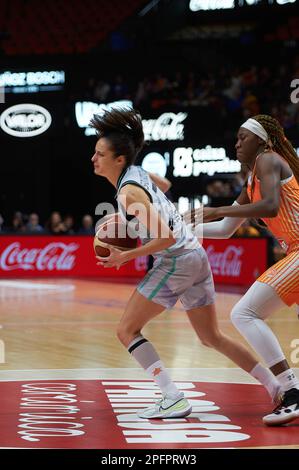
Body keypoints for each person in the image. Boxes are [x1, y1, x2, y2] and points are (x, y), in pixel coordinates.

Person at [91, 108, 281, 420]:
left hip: (176, 260)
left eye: (100, 154)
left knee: (126, 329)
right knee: (211, 337)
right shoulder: (136, 175)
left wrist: (124, 255)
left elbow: (164, 238)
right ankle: (276, 388)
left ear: (119, 160)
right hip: (197, 255)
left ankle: (172, 396)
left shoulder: (128, 193)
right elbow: (163, 186)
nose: (94, 159)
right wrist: (128, 218)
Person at [186, 114, 299, 426]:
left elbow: (272, 206)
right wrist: (182, 230)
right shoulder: (252, 180)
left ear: (261, 140)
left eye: (242, 138)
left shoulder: (267, 159)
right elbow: (225, 230)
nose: (236, 143)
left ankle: (291, 391)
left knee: (244, 313)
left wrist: (219, 207)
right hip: (294, 251)